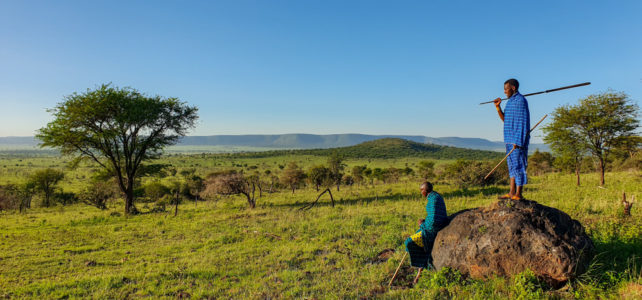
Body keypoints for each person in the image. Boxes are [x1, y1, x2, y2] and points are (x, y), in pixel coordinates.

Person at [493, 78, 530, 200]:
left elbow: (523, 123)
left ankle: (518, 194)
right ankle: (511, 192)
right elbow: (506, 120)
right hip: (509, 138)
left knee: (519, 165)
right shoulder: (509, 102)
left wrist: (518, 141)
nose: (504, 92)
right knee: (512, 166)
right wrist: (498, 108)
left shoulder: (521, 101)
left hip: (517, 140)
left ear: (513, 88)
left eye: (506, 89)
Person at [404, 181, 448, 283]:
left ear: (425, 190)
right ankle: (418, 275)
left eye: (421, 190)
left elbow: (433, 221)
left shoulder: (433, 199)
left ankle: (422, 266)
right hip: (433, 225)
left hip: (433, 229)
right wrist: (424, 222)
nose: (421, 193)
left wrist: (422, 225)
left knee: (409, 242)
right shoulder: (435, 196)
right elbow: (432, 216)